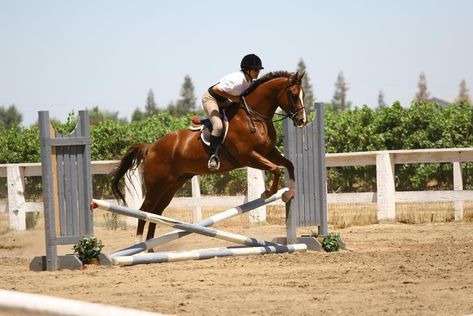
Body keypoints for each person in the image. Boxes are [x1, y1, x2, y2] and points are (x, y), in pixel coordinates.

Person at [202, 54, 264, 171]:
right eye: (256, 69)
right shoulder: (237, 80)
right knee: (218, 126)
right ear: (247, 70)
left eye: (259, 70)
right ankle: (213, 157)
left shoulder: (249, 81)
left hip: (224, 100)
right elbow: (215, 89)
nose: (258, 72)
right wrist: (232, 98)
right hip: (211, 99)